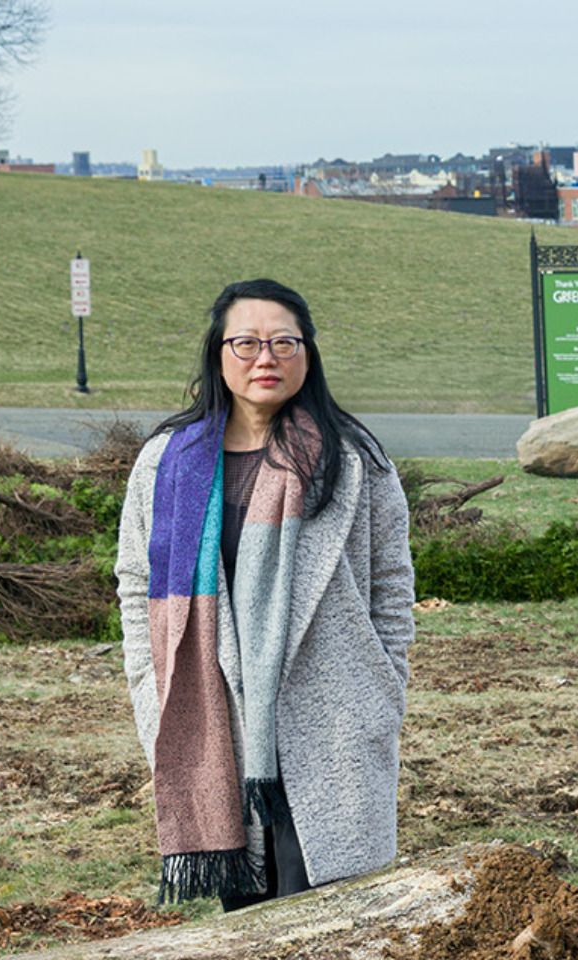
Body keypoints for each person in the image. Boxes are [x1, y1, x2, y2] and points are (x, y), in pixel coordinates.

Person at [115, 277, 415, 907]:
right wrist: (151, 689)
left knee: (339, 914)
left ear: (308, 353)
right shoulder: (166, 465)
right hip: (217, 716)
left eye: (284, 342)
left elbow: (391, 585)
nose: (265, 358)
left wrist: (384, 687)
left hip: (331, 719)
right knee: (246, 929)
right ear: (217, 354)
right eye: (246, 343)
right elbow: (136, 587)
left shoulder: (353, 460)